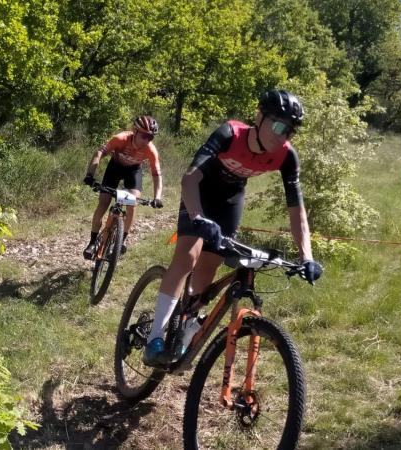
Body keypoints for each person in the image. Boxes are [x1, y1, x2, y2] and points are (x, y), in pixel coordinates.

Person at [142, 89, 323, 367]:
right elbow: (189, 179)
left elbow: (296, 210)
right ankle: (154, 337)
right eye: (277, 125)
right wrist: (199, 218)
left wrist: (306, 256)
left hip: (229, 202)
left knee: (209, 266)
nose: (282, 135)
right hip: (199, 194)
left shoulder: (287, 156)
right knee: (188, 255)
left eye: (289, 131)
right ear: (259, 116)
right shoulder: (229, 134)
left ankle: (187, 321)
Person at [82, 115, 164, 259]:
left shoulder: (151, 150)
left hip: (133, 171)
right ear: (135, 131)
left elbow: (157, 174)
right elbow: (99, 153)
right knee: (103, 204)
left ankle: (121, 240)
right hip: (114, 167)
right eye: (144, 136)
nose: (147, 140)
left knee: (132, 203)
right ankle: (92, 242)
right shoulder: (121, 139)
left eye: (150, 137)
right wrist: (90, 175)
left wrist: (157, 197)